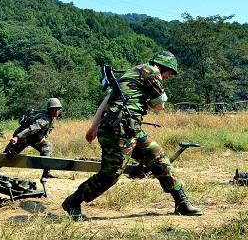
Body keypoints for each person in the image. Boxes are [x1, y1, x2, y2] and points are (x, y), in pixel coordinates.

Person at [62, 51, 202, 220]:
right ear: (165, 68)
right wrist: (152, 100)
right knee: (110, 175)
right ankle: (72, 201)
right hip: (120, 129)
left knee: (158, 157)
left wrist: (93, 128)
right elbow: (159, 105)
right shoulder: (152, 71)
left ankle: (182, 202)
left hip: (128, 128)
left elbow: (107, 100)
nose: (168, 77)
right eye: (170, 73)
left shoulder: (131, 74)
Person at [0, 98, 62, 178]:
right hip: (23, 137)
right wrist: (17, 137)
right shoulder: (43, 120)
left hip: (34, 139)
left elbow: (49, 129)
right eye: (54, 109)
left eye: (58, 109)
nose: (56, 112)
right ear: (49, 109)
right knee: (6, 157)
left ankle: (46, 172)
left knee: (47, 146)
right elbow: (31, 129)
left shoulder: (53, 118)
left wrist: (44, 137)